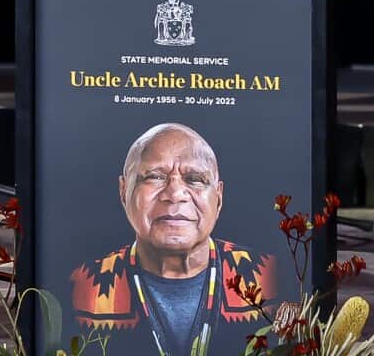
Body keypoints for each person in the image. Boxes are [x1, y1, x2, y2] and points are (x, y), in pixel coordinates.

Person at [70, 123, 275, 354]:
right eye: (155, 176)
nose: (175, 194)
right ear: (123, 190)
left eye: (195, 179)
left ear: (218, 197)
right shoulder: (79, 290)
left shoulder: (273, 281)